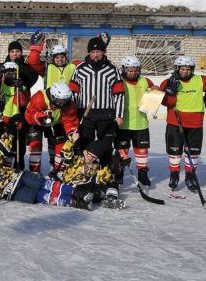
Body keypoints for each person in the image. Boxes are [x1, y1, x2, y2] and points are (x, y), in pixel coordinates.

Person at [0, 130, 91, 210]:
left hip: (20, 177)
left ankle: (77, 193)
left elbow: (1, 147)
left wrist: (10, 130)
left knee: (46, 185)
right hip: (13, 192)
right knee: (42, 196)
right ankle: (75, 202)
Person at [160, 55, 206, 191]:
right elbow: (167, 103)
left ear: (192, 69)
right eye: (182, 69)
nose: (185, 71)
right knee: (175, 151)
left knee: (193, 152)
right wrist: (170, 92)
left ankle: (190, 176)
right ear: (177, 69)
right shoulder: (168, 82)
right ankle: (174, 174)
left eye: (188, 69)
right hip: (175, 122)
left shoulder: (201, 80)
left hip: (195, 123)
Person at [68, 33, 122, 165]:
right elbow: (73, 92)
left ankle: (106, 174)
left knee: (106, 146)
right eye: (93, 52)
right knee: (86, 145)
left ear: (104, 52)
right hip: (86, 115)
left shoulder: (112, 69)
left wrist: (119, 115)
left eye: (98, 51)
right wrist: (73, 114)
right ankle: (87, 173)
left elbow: (119, 94)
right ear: (89, 53)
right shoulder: (80, 69)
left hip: (106, 115)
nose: (96, 55)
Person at [112, 56, 155, 186]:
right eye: (130, 70)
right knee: (122, 151)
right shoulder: (119, 81)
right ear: (124, 70)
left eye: (135, 70)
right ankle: (119, 173)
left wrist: (155, 91)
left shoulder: (145, 80)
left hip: (141, 123)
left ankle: (142, 174)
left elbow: (153, 95)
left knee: (142, 151)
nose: (133, 73)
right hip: (123, 123)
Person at [24, 82, 79, 175]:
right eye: (60, 101)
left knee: (61, 149)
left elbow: (70, 121)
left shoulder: (68, 105)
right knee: (35, 147)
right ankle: (34, 172)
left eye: (65, 101)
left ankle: (58, 171)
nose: (62, 104)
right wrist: (40, 117)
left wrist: (71, 132)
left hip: (56, 123)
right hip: (36, 123)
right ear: (53, 97)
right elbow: (28, 115)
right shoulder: (39, 97)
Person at [57, 137, 123, 210]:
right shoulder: (76, 157)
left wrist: (114, 164)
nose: (91, 158)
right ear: (85, 151)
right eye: (89, 155)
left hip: (86, 185)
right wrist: (71, 141)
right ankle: (85, 200)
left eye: (94, 157)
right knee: (81, 190)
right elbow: (65, 154)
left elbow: (100, 177)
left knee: (110, 182)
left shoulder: (94, 165)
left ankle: (110, 200)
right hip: (72, 185)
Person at [0, 61, 31, 170]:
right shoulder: (0, 86)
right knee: (5, 145)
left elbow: (25, 101)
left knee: (18, 147)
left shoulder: (20, 86)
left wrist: (21, 90)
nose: (11, 76)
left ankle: (18, 168)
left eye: (13, 73)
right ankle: (3, 168)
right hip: (3, 120)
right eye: (8, 73)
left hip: (17, 120)